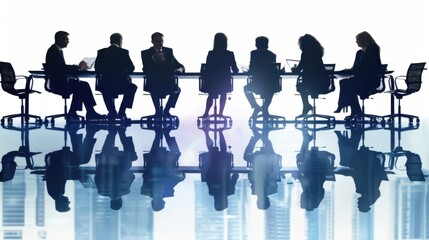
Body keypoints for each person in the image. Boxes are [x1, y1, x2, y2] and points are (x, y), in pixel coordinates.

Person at [45, 31, 104, 121]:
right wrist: (77, 67)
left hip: (60, 81)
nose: (68, 41)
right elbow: (60, 68)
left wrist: (77, 67)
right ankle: (84, 112)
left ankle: (78, 112)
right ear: (59, 39)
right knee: (82, 86)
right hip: (58, 83)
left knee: (81, 85)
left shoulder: (57, 50)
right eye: (66, 39)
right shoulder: (53, 51)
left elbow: (61, 67)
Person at [334, 31, 383, 119]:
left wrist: (352, 69)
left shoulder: (372, 48)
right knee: (345, 83)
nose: (356, 42)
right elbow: (356, 67)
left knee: (346, 84)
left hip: (370, 81)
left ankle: (349, 108)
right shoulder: (359, 53)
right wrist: (349, 70)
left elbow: (365, 63)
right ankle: (354, 110)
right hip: (361, 79)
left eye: (358, 39)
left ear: (364, 40)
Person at [141, 32, 185, 116]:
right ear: (152, 42)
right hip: (154, 83)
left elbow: (178, 65)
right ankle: (157, 111)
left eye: (161, 41)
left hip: (167, 83)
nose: (160, 43)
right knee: (154, 89)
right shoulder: (146, 53)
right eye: (157, 41)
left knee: (177, 89)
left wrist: (180, 69)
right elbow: (146, 68)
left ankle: (166, 110)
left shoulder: (168, 51)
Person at [94, 33, 137, 120]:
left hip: (105, 85)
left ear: (110, 41)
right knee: (132, 87)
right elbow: (131, 68)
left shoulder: (101, 52)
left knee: (105, 88)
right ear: (120, 42)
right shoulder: (124, 52)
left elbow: (97, 69)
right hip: (121, 85)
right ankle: (122, 111)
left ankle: (112, 111)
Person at [200, 33, 239, 118]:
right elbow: (235, 70)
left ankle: (206, 113)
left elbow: (207, 68)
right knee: (223, 94)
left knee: (211, 94)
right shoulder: (229, 54)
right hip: (224, 82)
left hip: (211, 83)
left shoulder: (211, 53)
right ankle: (221, 113)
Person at [291, 34, 330, 115]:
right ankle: (306, 106)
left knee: (301, 86)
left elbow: (299, 68)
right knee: (304, 85)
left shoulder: (305, 53)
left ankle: (306, 105)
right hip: (323, 84)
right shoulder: (318, 52)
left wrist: (293, 69)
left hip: (310, 84)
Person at [244, 36, 278, 117]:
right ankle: (265, 107)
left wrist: (249, 72)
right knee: (271, 88)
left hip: (257, 85)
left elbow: (252, 68)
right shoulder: (272, 55)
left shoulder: (254, 53)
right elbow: (274, 71)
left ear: (256, 44)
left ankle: (256, 106)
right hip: (270, 85)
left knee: (246, 88)